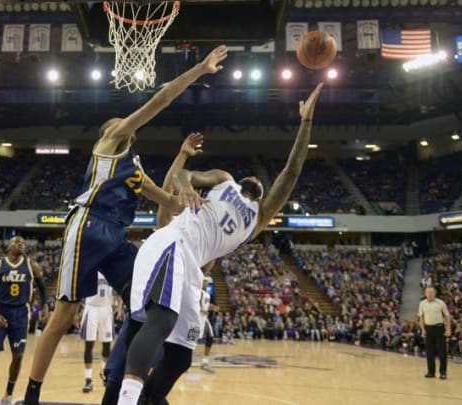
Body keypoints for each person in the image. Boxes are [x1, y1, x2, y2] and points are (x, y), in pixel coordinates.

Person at [22, 45, 228, 405]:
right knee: (65, 313)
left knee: (148, 303)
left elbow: (167, 201)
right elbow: (161, 98)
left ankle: (123, 379)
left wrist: (190, 185)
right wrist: (200, 69)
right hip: (88, 225)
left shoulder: (133, 167)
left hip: (116, 237)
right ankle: (31, 395)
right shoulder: (111, 140)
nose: (123, 123)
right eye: (117, 122)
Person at [116, 83, 324, 405]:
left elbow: (292, 170)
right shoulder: (225, 179)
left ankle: (148, 400)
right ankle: (126, 399)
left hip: (192, 269)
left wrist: (306, 122)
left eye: (260, 181)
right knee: (161, 322)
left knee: (181, 357)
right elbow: (185, 175)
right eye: (251, 178)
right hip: (175, 242)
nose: (254, 179)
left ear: (262, 192)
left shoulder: (259, 218)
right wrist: (184, 188)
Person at [102, 133, 206, 405]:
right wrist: (182, 155)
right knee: (116, 385)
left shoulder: (203, 246)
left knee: (150, 394)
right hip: (145, 318)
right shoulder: (171, 231)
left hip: (172, 324)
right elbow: (165, 198)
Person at [0, 236, 46, 405]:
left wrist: (44, 306)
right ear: (9, 246)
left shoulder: (32, 266)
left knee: (18, 356)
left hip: (21, 314)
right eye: (17, 242)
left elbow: (43, 288)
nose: (21, 244)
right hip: (1, 312)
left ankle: (8, 394)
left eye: (23, 243)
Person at [80, 272, 116, 393]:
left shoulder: (111, 269)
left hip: (106, 308)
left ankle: (105, 375)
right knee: (88, 345)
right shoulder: (91, 268)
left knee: (107, 346)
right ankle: (88, 380)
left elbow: (118, 289)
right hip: (91, 308)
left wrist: (119, 305)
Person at [418, 286, 451, 379]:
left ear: (435, 293)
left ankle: (443, 372)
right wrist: (423, 329)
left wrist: (448, 329)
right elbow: (421, 317)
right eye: (427, 292)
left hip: (439, 328)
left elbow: (448, 316)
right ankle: (431, 372)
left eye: (431, 292)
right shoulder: (422, 303)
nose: (429, 294)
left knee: (442, 352)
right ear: (425, 293)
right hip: (428, 328)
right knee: (429, 352)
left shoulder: (441, 303)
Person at [199, 275, 216, 372]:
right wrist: (201, 310)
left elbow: (205, 305)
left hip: (204, 319)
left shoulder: (207, 293)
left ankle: (205, 361)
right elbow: (193, 304)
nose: (206, 283)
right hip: (196, 318)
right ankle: (183, 362)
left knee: (210, 337)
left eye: (206, 282)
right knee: (192, 339)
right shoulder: (198, 292)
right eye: (204, 281)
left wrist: (211, 307)